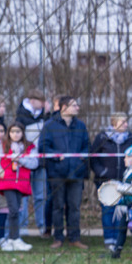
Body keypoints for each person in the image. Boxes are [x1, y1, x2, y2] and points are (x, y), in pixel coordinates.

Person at [39, 96, 90, 249]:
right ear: (63, 107)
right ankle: (58, 238)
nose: (77, 108)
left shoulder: (81, 126)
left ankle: (74, 238)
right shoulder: (50, 125)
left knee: (74, 207)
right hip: (57, 173)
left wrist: (81, 158)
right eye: (74, 105)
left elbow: (87, 146)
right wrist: (56, 156)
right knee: (57, 206)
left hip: (76, 173)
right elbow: (43, 147)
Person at [0, 123, 38, 252]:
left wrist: (20, 160)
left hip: (22, 183)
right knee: (13, 209)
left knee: (16, 211)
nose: (15, 134)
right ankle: (12, 238)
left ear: (22, 133)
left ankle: (13, 239)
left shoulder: (29, 146)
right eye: (13, 132)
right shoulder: (2, 145)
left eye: (18, 131)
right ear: (9, 133)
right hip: (8, 182)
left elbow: (34, 163)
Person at [90, 113, 131, 248]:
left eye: (126, 122)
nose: (126, 124)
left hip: (124, 182)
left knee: (120, 211)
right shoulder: (102, 137)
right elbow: (93, 158)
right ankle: (109, 241)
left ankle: (118, 241)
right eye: (123, 122)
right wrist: (102, 172)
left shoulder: (130, 138)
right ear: (114, 123)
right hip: (105, 182)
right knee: (108, 210)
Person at [16, 91, 51, 236]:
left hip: (41, 162)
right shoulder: (21, 114)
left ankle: (42, 225)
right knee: (24, 196)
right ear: (32, 100)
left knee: (40, 196)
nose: (43, 106)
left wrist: (49, 113)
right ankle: (23, 225)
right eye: (41, 102)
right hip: (25, 162)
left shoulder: (44, 114)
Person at [110, 144, 132, 259]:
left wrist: (118, 187)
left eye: (127, 157)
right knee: (122, 227)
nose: (124, 159)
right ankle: (116, 251)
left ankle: (117, 250)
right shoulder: (129, 170)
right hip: (127, 204)